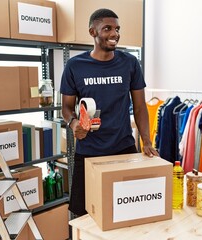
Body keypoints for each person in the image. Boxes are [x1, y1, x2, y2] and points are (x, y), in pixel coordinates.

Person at [60, 8, 159, 217]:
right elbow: (66, 108)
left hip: (123, 148)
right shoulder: (75, 66)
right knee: (85, 214)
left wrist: (147, 141)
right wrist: (73, 123)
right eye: (107, 28)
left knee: (128, 209)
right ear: (92, 32)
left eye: (117, 29)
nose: (114, 34)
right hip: (88, 152)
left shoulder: (130, 63)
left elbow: (140, 107)